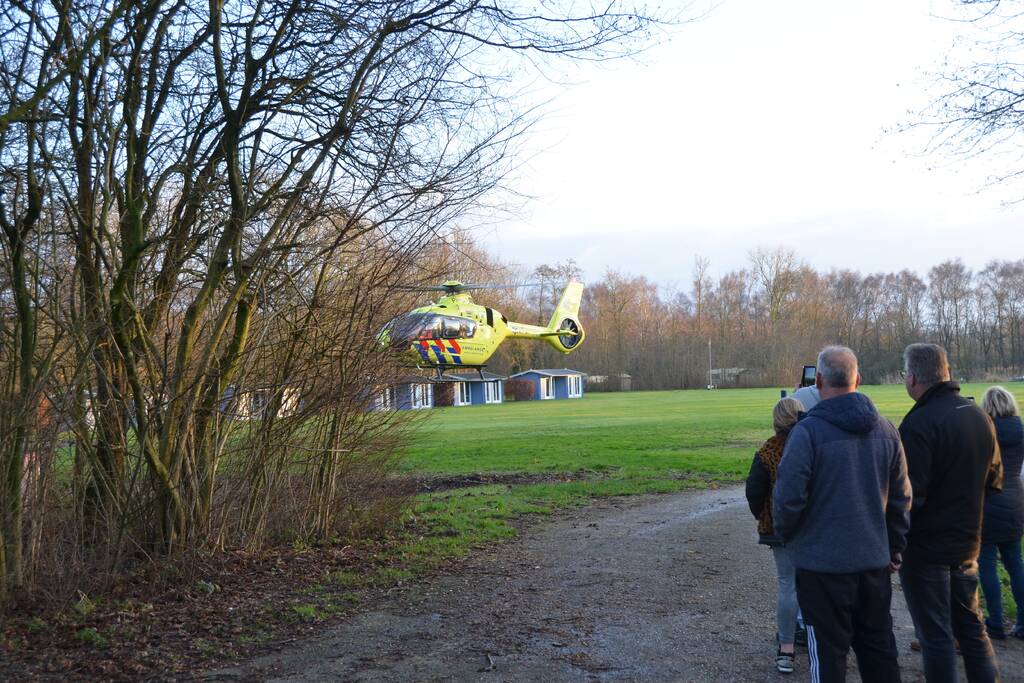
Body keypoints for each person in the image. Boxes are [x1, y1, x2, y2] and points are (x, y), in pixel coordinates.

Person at [773, 345, 911, 683]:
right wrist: (894, 545)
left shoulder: (807, 433)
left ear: (817, 380)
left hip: (823, 568)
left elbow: (787, 500)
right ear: (858, 380)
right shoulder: (887, 431)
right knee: (879, 651)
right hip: (872, 565)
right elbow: (901, 499)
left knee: (828, 657)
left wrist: (792, 541)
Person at [898, 343, 1003, 683]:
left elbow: (910, 495)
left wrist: (896, 539)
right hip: (968, 541)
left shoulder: (918, 424)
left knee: (936, 635)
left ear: (913, 378)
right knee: (973, 629)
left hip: (928, 549)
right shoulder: (979, 416)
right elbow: (994, 480)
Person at [745, 396, 804, 674]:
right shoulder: (811, 444)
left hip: (779, 528)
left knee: (787, 584)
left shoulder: (767, 450)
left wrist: (764, 515)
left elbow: (754, 492)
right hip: (812, 526)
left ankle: (787, 648)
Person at [977, 386, 1024, 641]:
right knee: (1015, 563)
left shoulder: (985, 431)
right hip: (1016, 502)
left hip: (989, 502)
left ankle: (995, 623)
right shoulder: (1021, 430)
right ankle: (1022, 622)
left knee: (986, 565)